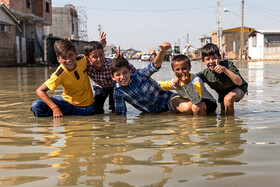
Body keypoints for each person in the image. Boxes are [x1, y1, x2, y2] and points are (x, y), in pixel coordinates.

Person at [109, 42, 183, 115]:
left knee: (187, 108)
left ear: (130, 72)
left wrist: (162, 51)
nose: (122, 77)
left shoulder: (140, 74)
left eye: (125, 73)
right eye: (118, 75)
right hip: (154, 114)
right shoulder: (118, 91)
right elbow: (121, 113)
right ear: (113, 77)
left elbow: (155, 65)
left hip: (168, 100)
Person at [31, 39, 95, 117]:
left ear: (76, 54)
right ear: (58, 59)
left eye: (71, 55)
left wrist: (99, 45)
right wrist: (54, 108)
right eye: (64, 57)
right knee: (36, 106)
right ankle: (50, 123)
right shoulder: (59, 73)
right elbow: (40, 91)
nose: (68, 60)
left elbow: (94, 57)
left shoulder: (82, 59)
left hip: (86, 108)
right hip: (67, 104)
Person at [84, 33, 137, 114]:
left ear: (104, 53)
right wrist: (100, 44)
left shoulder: (110, 64)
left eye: (101, 55)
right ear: (88, 59)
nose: (99, 59)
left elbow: (131, 70)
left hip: (113, 86)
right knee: (96, 107)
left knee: (115, 105)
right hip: (100, 86)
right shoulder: (86, 66)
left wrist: (121, 61)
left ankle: (115, 120)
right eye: (95, 56)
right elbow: (76, 60)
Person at [196, 43, 248, 116]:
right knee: (223, 113)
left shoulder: (227, 65)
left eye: (214, 58)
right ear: (203, 61)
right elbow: (192, 79)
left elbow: (239, 82)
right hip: (222, 94)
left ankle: (230, 125)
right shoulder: (205, 74)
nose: (211, 61)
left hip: (238, 88)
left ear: (219, 57)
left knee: (228, 99)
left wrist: (225, 70)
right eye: (208, 59)